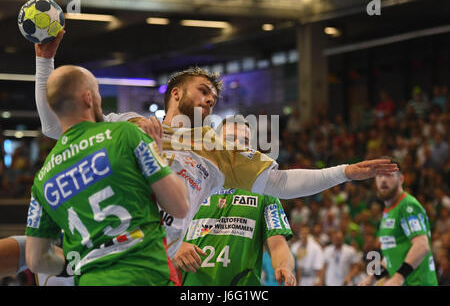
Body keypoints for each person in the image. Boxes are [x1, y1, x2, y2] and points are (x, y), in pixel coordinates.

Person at [34, 31, 399, 273]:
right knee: (23, 254)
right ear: (175, 93)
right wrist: (44, 61)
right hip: (88, 247)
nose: (210, 99)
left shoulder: (220, 151)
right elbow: (54, 127)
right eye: (203, 90)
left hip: (146, 265)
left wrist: (344, 173)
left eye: (214, 96)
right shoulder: (125, 121)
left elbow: (282, 182)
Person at [25, 63, 189, 286]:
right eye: (98, 93)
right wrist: (159, 154)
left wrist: (80, 261)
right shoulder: (126, 134)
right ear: (88, 98)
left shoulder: (42, 179)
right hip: (148, 275)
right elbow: (179, 206)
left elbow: (36, 260)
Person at [178, 117, 295, 286]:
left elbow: (278, 246)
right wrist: (176, 247)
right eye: (230, 139)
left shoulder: (264, 193)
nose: (238, 145)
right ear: (215, 144)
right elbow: (159, 233)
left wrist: (284, 266)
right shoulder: (192, 184)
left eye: (245, 141)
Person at [358, 159, 438, 286]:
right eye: (379, 175)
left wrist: (398, 277)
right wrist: (372, 278)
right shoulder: (388, 211)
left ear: (401, 179)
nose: (383, 180)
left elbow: (422, 246)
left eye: (389, 174)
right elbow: (390, 256)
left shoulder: (407, 206)